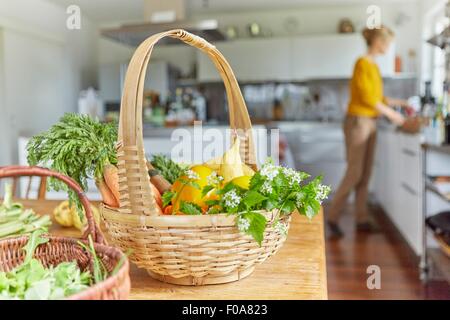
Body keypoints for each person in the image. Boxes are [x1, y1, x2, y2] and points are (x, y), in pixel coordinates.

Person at [327, 25, 409, 238]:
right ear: (378, 42)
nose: (388, 47)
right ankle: (332, 216)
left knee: (365, 173)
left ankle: (361, 218)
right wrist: (393, 115)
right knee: (355, 172)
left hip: (370, 122)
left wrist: (402, 102)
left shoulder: (373, 66)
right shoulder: (362, 63)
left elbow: (378, 98)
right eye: (387, 42)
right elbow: (367, 98)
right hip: (359, 122)